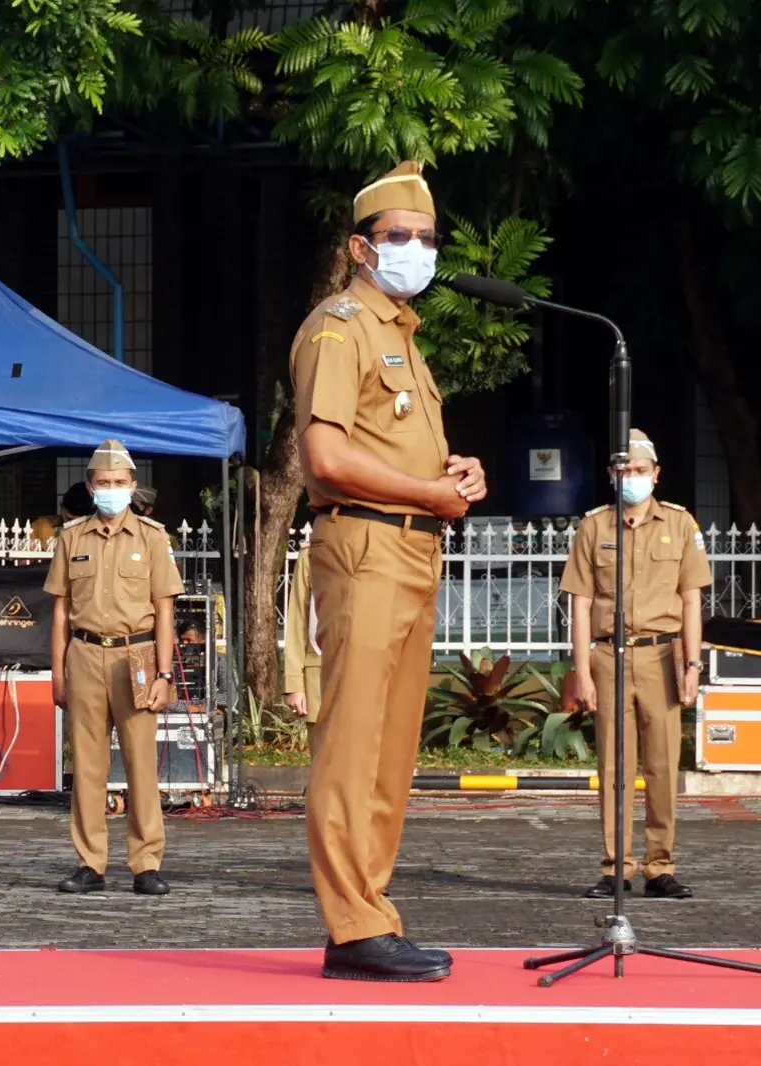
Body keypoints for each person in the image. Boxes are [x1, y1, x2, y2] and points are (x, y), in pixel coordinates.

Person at [290, 161, 486, 982]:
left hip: (411, 546)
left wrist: (459, 475)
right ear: (359, 249)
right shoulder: (338, 327)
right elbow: (325, 455)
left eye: (427, 238)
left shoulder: (403, 337)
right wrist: (429, 493)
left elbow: (409, 454)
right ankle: (353, 920)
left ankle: (370, 914)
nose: (415, 250)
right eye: (398, 237)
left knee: (394, 746)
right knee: (354, 740)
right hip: (366, 546)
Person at [560, 429, 712, 901]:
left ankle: (660, 866)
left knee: (664, 766)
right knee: (613, 767)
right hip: (609, 655)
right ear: (611, 474)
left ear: (656, 475)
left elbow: (691, 602)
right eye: (624, 471)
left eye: (641, 471)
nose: (632, 479)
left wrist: (693, 664)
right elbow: (580, 604)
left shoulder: (681, 525)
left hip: (662, 655)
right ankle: (616, 868)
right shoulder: (594, 528)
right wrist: (581, 670)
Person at [44, 439, 184, 896]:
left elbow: (165, 610)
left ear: (133, 486)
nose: (111, 490)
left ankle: (146, 863)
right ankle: (90, 863)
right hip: (83, 655)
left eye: (119, 483)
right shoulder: (72, 538)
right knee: (87, 765)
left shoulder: (152, 537)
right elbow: (61, 612)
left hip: (136, 657)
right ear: (90, 486)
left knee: (142, 763)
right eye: (103, 483)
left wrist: (165, 675)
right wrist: (58, 673)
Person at [283, 544, 322, 757]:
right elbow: (298, 618)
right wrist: (294, 683)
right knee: (324, 767)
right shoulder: (313, 553)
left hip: (367, 676)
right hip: (320, 675)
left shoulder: (379, 547)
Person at [172, 618, 230, 711]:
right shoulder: (175, 663)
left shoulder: (219, 660)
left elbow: (229, 695)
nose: (185, 643)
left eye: (189, 640)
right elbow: (168, 701)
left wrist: (205, 705)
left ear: (203, 639)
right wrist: (196, 708)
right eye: (182, 640)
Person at [32, 482, 93, 549]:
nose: (70, 525)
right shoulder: (41, 526)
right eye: (69, 519)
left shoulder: (96, 533)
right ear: (61, 506)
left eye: (78, 522)